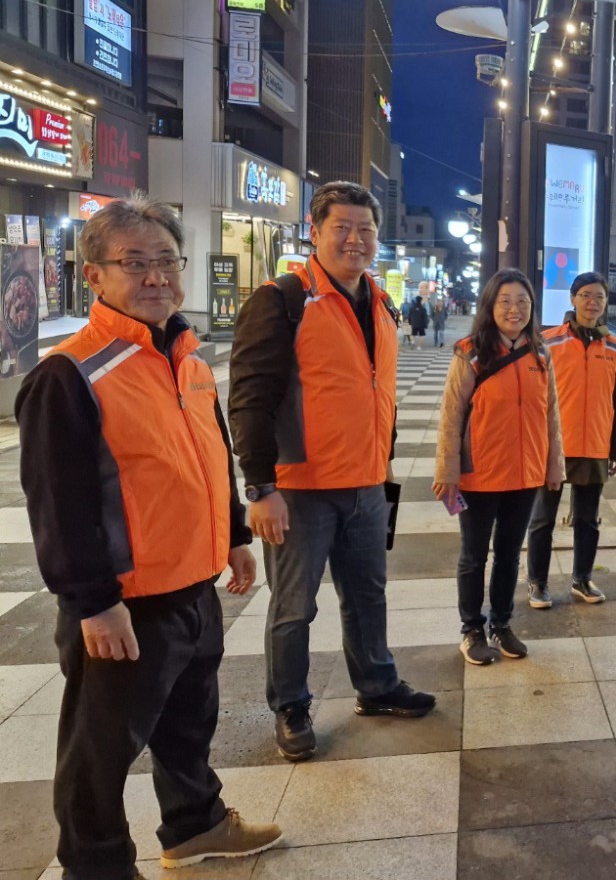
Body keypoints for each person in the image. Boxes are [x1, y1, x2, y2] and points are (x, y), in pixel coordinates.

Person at [17, 197, 282, 879]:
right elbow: (59, 503)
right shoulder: (70, 373)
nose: (156, 276)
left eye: (166, 260)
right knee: (100, 748)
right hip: (126, 602)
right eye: (135, 262)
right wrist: (92, 601)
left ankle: (194, 824)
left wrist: (231, 535)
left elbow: (208, 452)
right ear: (95, 275)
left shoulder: (187, 359)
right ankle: (96, 864)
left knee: (187, 725)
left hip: (193, 585)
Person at [230, 181, 435, 764]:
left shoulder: (380, 301)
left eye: (365, 229)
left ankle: (376, 684)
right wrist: (259, 487)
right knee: (295, 606)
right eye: (341, 227)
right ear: (314, 233)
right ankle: (290, 706)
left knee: (368, 593)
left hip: (368, 484)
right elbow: (249, 400)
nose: (355, 238)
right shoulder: (282, 299)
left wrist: (384, 462)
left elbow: (378, 391)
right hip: (299, 491)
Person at [435, 268, 565, 664]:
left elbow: (551, 415)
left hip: (524, 474)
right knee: (474, 555)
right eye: (506, 301)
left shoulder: (541, 354)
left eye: (523, 302)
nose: (514, 309)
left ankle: (502, 623)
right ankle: (472, 627)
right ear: (490, 305)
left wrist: (554, 465)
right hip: (479, 474)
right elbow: (451, 415)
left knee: (509, 554)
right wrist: (447, 471)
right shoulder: (471, 352)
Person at [526, 272, 616, 608]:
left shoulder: (612, 345)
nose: (592, 302)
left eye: (599, 296)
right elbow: (533, 395)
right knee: (543, 518)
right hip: (554, 445)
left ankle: (582, 579)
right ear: (572, 299)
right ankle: (537, 583)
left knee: (588, 519)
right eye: (585, 295)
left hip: (596, 445)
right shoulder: (548, 341)